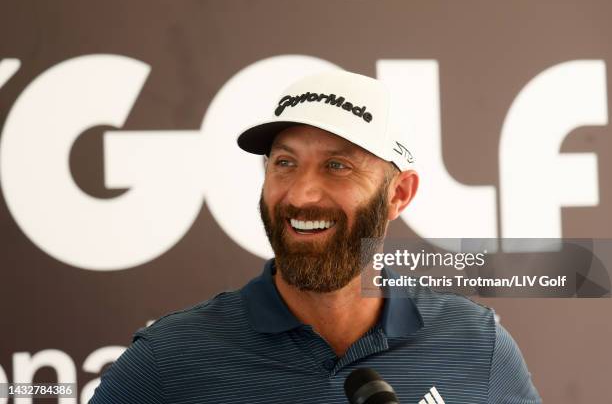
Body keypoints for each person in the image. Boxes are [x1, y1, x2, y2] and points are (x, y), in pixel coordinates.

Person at [90, 70, 541, 403]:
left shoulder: (475, 344)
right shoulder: (171, 360)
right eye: (284, 163)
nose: (302, 194)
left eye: (337, 166)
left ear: (397, 194)